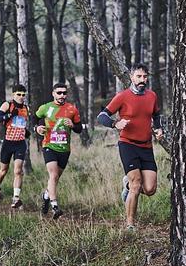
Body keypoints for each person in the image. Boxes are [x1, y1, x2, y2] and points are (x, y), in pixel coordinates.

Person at [97, 64, 164, 231]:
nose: (142, 80)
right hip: (128, 144)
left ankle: (126, 184)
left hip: (146, 146)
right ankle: (130, 224)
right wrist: (115, 123)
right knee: (137, 185)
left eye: (145, 77)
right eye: (139, 77)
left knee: (149, 189)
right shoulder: (123, 96)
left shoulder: (152, 96)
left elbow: (156, 115)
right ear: (132, 78)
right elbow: (102, 116)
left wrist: (158, 129)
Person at [35, 83, 83, 219]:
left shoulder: (72, 109)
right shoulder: (46, 107)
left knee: (55, 179)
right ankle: (55, 206)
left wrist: (73, 125)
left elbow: (79, 129)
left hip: (64, 149)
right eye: (59, 93)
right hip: (49, 145)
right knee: (53, 175)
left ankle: (46, 196)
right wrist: (37, 128)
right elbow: (36, 117)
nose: (62, 96)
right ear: (53, 93)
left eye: (64, 93)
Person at [0, 85, 30, 208]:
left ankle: (15, 198)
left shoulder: (26, 108)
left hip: (20, 143)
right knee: (3, 171)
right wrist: (8, 115)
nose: (21, 97)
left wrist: (26, 131)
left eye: (23, 95)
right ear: (13, 95)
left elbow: (21, 123)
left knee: (18, 171)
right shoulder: (7, 105)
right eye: (18, 94)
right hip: (8, 143)